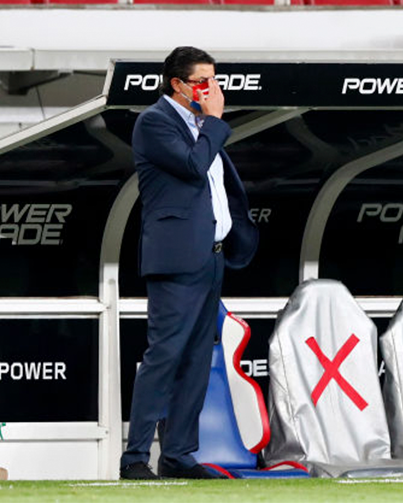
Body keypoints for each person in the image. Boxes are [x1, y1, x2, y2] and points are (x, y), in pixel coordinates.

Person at [119, 46, 259, 480]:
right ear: (177, 84)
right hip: (177, 260)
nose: (211, 89)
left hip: (211, 258)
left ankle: (178, 454)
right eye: (202, 81)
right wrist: (215, 122)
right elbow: (193, 167)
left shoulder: (202, 127)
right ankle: (135, 458)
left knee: (197, 360)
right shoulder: (155, 122)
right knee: (165, 355)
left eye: (215, 80)